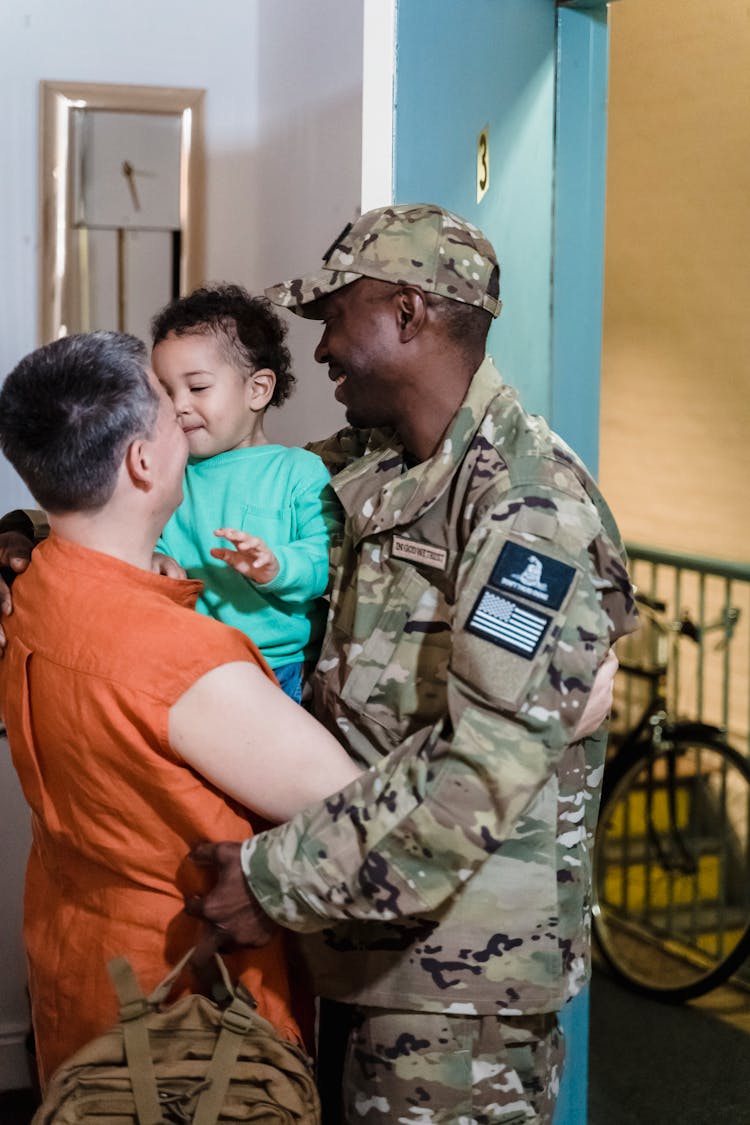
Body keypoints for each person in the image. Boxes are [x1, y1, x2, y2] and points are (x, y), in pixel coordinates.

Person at [184, 204, 639, 1125]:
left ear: (407, 312)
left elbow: (476, 775)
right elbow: (216, 484)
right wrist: (44, 533)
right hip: (361, 940)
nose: (320, 352)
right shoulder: (380, 463)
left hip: (458, 992)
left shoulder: (529, 508)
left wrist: (272, 878)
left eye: (335, 318)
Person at [0, 331, 360, 1088]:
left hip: (76, 974)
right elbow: (353, 811)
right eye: (169, 406)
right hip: (186, 1014)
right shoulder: (180, 657)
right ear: (140, 460)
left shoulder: (33, 590)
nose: (188, 420)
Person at [150, 284, 340, 703]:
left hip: (273, 667)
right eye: (165, 392)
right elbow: (147, 532)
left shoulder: (297, 471)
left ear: (257, 389)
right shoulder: (168, 472)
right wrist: (156, 556)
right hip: (188, 662)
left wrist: (277, 567)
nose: (177, 405)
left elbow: (321, 561)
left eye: (197, 388)